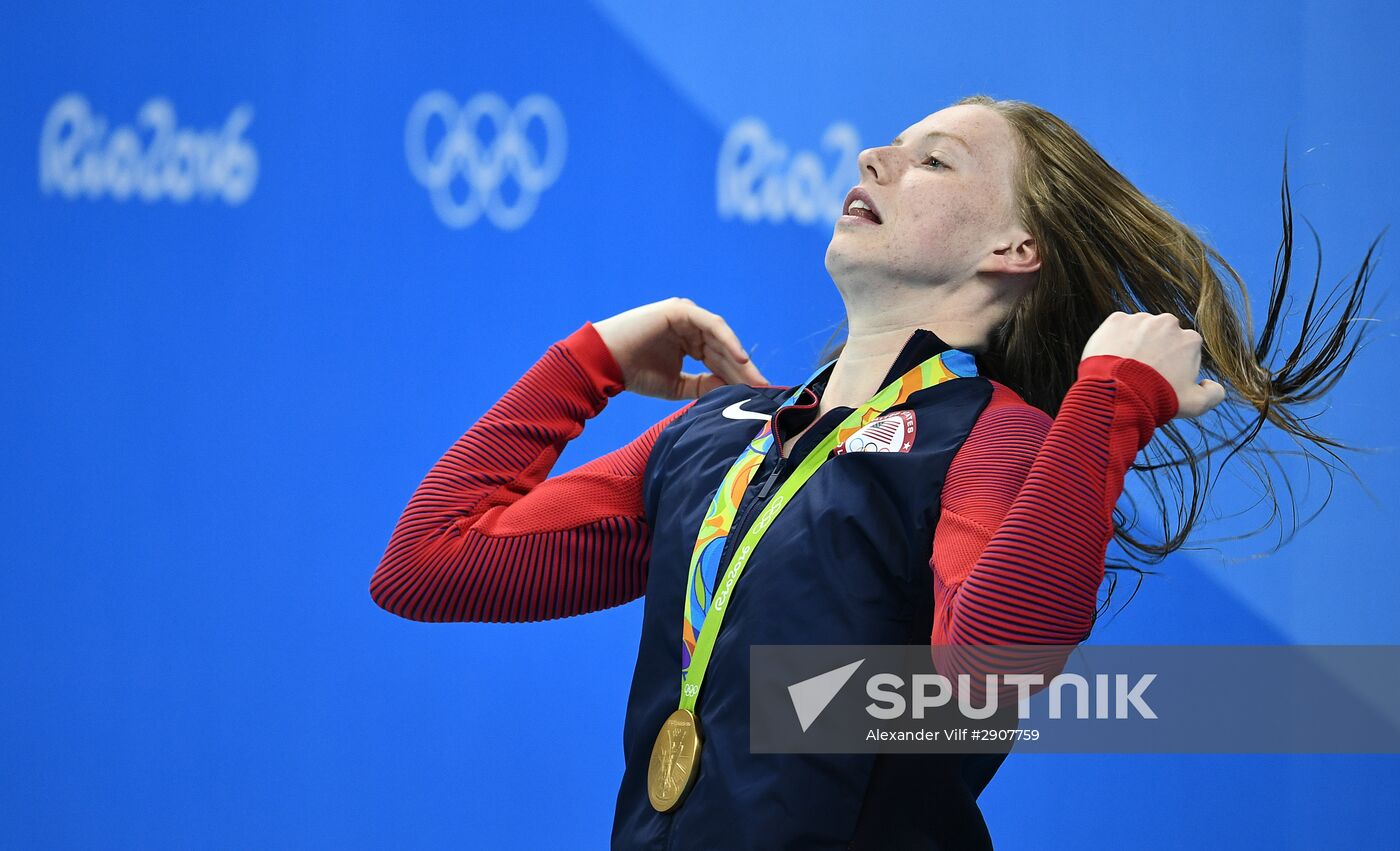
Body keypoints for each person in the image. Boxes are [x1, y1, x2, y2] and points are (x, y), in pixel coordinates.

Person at [369, 95, 1376, 849]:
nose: (874, 157)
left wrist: (1108, 404)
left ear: (1014, 245)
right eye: (891, 145)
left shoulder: (993, 437)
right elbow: (428, 564)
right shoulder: (718, 430)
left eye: (933, 160)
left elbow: (985, 677)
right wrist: (586, 359)